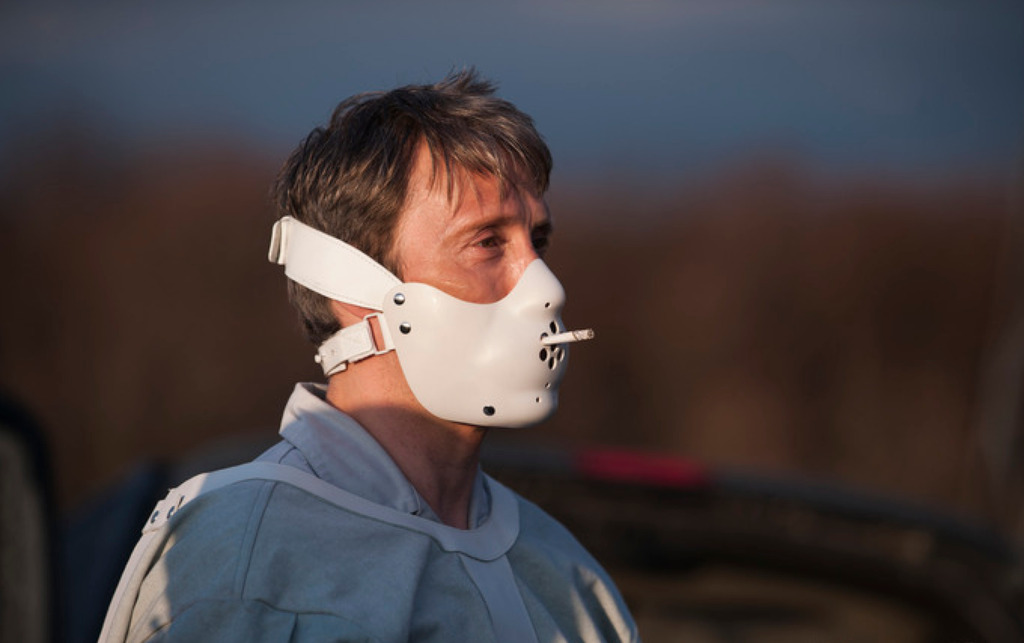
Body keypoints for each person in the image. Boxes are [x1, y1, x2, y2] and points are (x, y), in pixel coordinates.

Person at [99, 70, 639, 643]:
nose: (546, 287)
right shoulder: (251, 560)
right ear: (353, 288)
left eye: (539, 242)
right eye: (487, 242)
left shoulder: (567, 574)